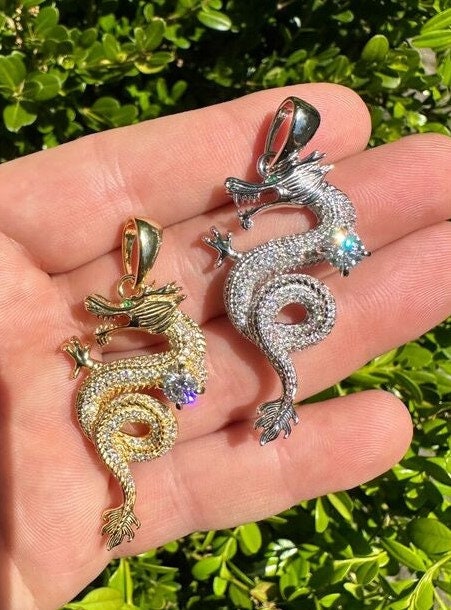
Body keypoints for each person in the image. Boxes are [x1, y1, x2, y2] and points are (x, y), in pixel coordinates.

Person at [0, 83, 449, 610]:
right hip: (209, 331)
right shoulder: (177, 334)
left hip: (257, 302)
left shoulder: (324, 223)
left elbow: (322, 234)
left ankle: (270, 398)